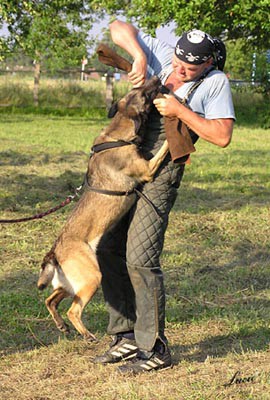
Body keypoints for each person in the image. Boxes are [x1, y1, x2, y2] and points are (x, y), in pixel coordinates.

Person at [93, 19, 235, 374]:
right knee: (108, 245)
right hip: (126, 163)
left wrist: (180, 111)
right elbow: (117, 26)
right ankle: (124, 336)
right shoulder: (165, 56)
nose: (180, 69)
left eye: (190, 67)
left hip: (161, 170)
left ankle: (153, 348)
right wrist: (139, 57)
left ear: (208, 64)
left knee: (140, 256)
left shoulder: (214, 83)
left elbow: (222, 136)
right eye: (178, 61)